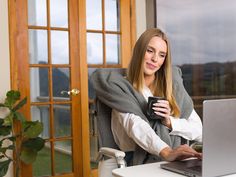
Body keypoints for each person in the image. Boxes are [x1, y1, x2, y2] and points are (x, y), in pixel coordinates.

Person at [91, 28, 202, 166]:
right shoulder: (119, 88)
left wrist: (169, 122)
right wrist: (167, 152)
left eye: (162, 55)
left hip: (176, 161)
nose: (155, 59)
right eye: (150, 51)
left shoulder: (173, 89)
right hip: (136, 161)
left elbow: (198, 130)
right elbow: (135, 125)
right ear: (139, 51)